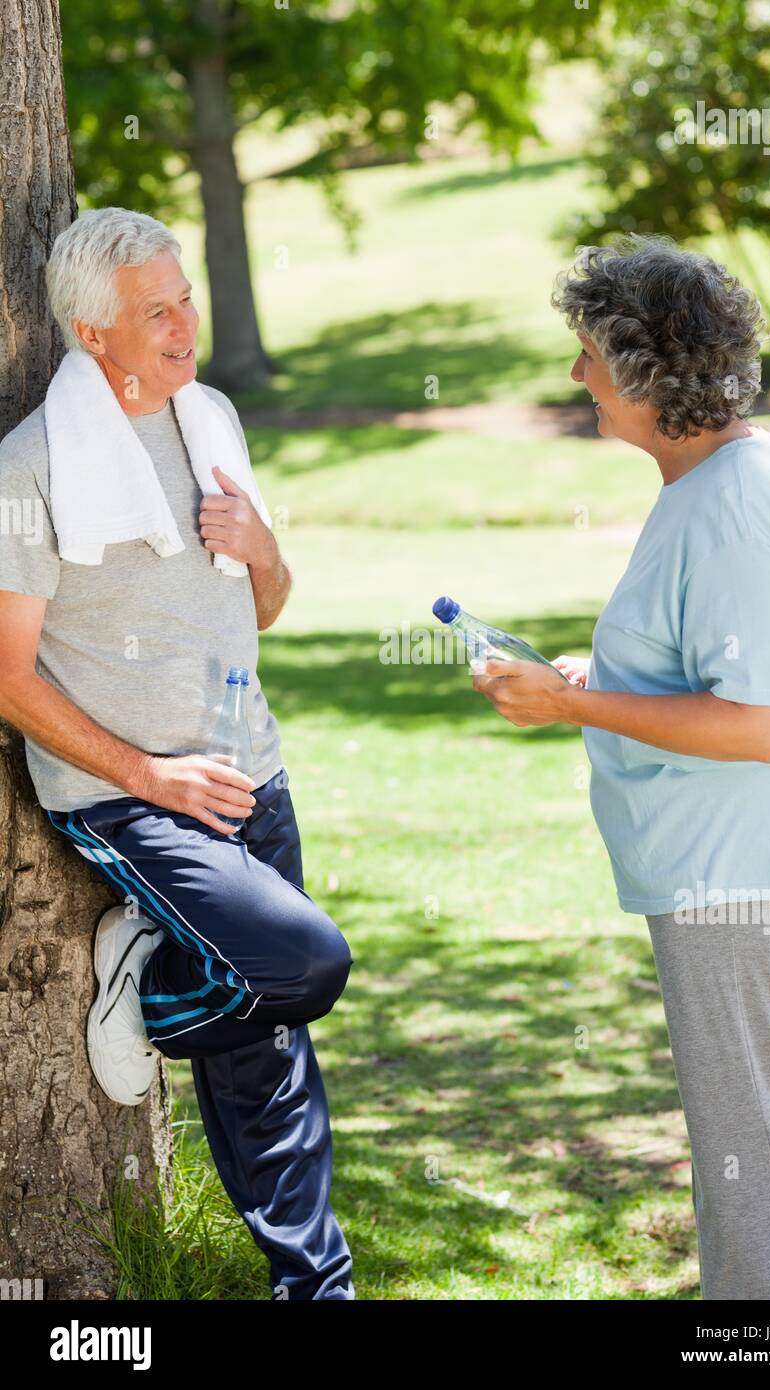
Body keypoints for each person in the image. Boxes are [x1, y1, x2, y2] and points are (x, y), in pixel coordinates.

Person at [471, 234, 770, 1301]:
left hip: (734, 873)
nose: (575, 375)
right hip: (724, 868)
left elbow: (757, 722)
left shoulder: (731, 498)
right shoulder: (718, 477)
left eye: (588, 350)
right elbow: (717, 671)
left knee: (764, 1169)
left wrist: (571, 704)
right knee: (746, 1161)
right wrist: (598, 671)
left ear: (647, 370)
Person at [0, 207, 354, 1300]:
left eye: (186, 296)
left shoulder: (210, 419)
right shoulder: (33, 464)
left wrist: (265, 550)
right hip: (131, 795)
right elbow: (9, 676)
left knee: (272, 1058)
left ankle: (315, 1287)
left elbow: (268, 609)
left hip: (252, 765)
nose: (184, 324)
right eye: (157, 310)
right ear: (92, 332)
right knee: (302, 969)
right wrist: (149, 777)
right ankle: (153, 971)